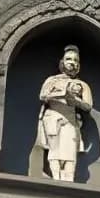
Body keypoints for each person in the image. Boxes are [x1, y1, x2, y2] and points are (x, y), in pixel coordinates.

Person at [36, 46, 92, 182]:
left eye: (75, 60)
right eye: (68, 59)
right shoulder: (52, 80)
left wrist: (74, 100)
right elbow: (43, 95)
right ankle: (56, 178)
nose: (71, 62)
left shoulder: (82, 85)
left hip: (70, 119)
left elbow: (88, 105)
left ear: (78, 64)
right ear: (62, 62)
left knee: (70, 151)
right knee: (54, 150)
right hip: (53, 117)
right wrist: (62, 93)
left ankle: (68, 180)